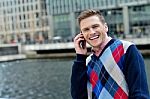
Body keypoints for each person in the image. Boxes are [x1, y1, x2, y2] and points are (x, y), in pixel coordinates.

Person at [71, 9, 149, 99]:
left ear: (105, 27)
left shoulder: (127, 49)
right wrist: (80, 57)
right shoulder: (87, 62)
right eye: (86, 30)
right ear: (82, 35)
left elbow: (140, 94)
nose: (91, 32)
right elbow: (78, 96)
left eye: (95, 26)